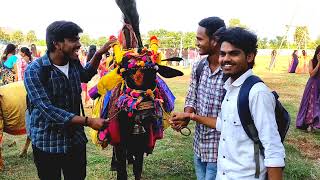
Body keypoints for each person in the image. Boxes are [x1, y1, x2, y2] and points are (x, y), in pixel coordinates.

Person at [171, 27, 285, 179]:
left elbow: (273, 149)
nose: (225, 59)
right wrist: (191, 116)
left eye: (234, 53)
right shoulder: (231, 88)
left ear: (250, 56)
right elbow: (223, 124)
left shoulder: (257, 93)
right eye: (223, 54)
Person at [24, 20, 117, 180]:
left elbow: (86, 75)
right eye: (73, 40)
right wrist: (88, 121)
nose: (79, 44)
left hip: (75, 141)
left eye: (78, 39)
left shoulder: (73, 63)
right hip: (47, 142)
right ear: (57, 43)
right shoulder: (35, 70)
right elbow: (48, 109)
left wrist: (98, 54)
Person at [172, 16, 226, 180]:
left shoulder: (230, 72)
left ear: (215, 40)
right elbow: (191, 96)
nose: (197, 42)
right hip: (199, 146)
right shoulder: (199, 66)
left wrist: (190, 116)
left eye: (200, 39)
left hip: (221, 150)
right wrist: (185, 118)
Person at [296, 45, 320, 132]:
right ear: (317, 53)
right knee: (311, 104)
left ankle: (316, 124)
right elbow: (312, 74)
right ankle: (309, 124)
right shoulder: (311, 61)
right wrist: (319, 63)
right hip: (313, 85)